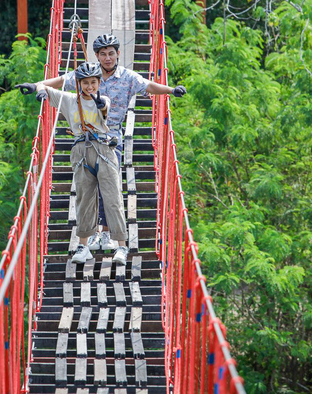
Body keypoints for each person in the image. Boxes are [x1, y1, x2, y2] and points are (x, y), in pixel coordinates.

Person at [16, 34, 187, 252]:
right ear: (97, 56)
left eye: (111, 53)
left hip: (111, 138)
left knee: (110, 187)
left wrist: (171, 90)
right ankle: (95, 233)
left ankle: (106, 233)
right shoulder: (91, 75)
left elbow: (149, 86)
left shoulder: (128, 77)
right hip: (86, 138)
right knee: (89, 189)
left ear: (117, 54)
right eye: (103, 54)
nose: (108, 58)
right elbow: (62, 81)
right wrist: (36, 85)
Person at [30, 62, 131, 265]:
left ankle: (121, 246)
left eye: (93, 82)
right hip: (80, 151)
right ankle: (83, 246)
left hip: (103, 150)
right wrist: (36, 90)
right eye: (85, 83)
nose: (90, 87)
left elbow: (104, 108)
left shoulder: (103, 99)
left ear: (99, 82)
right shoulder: (68, 100)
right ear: (78, 84)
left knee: (112, 198)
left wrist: (101, 106)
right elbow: (43, 85)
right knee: (84, 200)